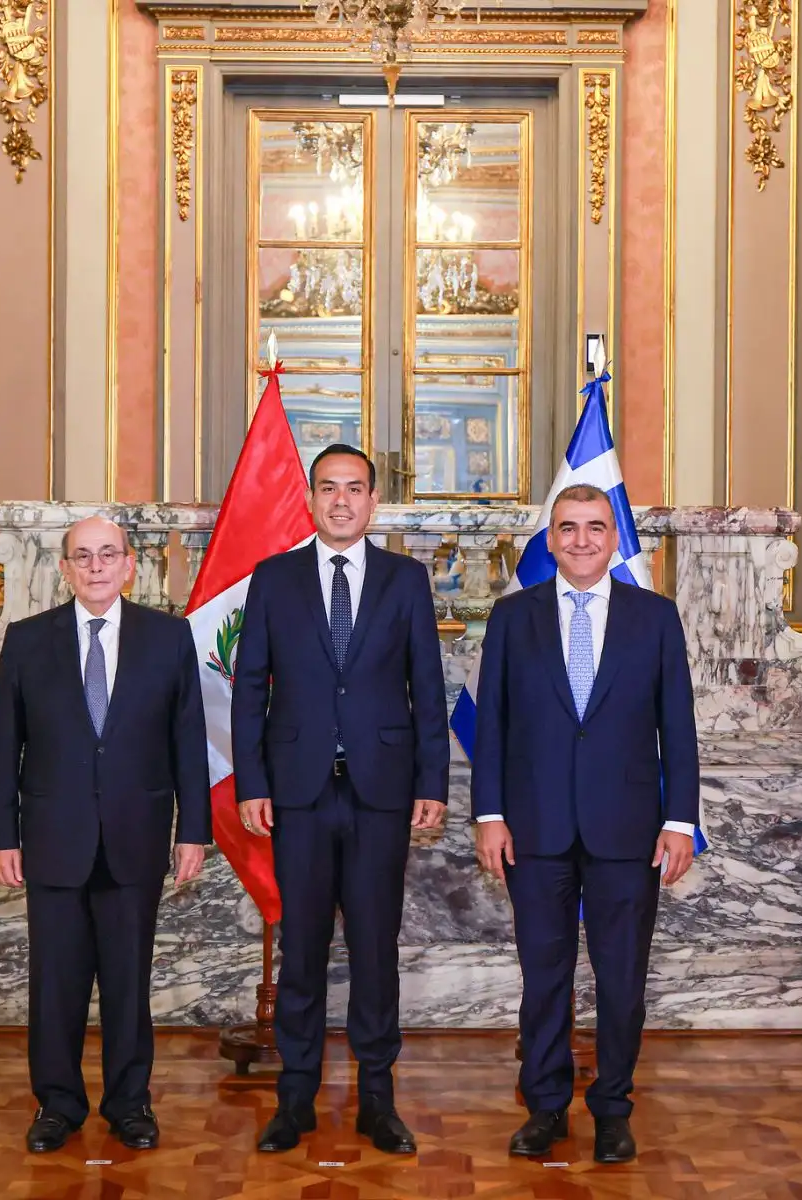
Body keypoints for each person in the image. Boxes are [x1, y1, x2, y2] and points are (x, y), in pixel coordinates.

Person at [470, 484, 700, 1164]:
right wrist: (490, 814)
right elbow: (492, 726)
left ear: (614, 537)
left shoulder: (654, 617)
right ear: (550, 540)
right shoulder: (513, 617)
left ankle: (613, 1109)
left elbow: (677, 729)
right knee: (544, 979)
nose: (580, 540)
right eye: (567, 527)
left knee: (621, 981)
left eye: (595, 527)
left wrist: (680, 820)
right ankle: (545, 1107)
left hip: (627, 832)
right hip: (533, 830)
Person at [231, 443, 449, 1154]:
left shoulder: (405, 580)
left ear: (373, 502)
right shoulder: (274, 578)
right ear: (310, 499)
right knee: (301, 949)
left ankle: (377, 1100)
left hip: (381, 792)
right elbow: (249, 687)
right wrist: (253, 782)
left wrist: (432, 783)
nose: (341, 500)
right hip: (297, 794)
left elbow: (427, 689)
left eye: (355, 488)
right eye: (328, 487)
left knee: (375, 948)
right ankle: (294, 1100)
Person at [0, 516, 211, 1154]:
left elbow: (188, 741)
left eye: (108, 554)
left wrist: (193, 831)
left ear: (130, 565)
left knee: (127, 982)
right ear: (65, 570)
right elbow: (4, 748)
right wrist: (2, 835)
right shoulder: (28, 641)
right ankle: (57, 1105)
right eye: (82, 556)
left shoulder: (169, 637)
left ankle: (129, 1104)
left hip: (136, 838)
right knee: (55, 983)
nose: (96, 566)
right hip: (52, 840)